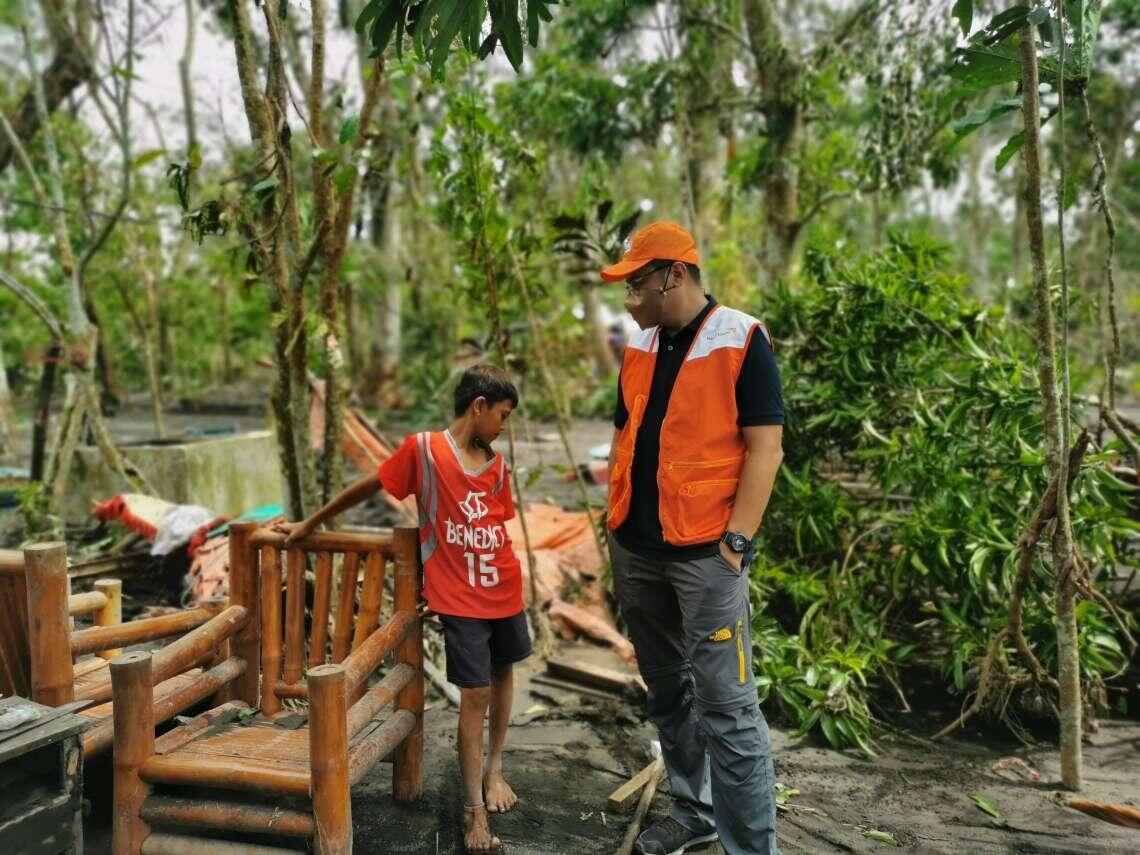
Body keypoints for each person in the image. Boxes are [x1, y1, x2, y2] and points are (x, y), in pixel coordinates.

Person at [280, 364, 529, 854]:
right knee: (474, 695)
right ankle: (473, 811)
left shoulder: (497, 466)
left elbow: (498, 528)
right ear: (478, 406)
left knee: (504, 676)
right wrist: (311, 523)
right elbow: (370, 486)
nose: (503, 426)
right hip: (461, 599)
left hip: (504, 588)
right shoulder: (423, 451)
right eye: (502, 415)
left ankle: (495, 770)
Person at [600, 222, 785, 855]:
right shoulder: (641, 346)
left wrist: (736, 543)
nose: (630, 298)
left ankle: (751, 848)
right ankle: (693, 810)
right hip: (638, 550)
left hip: (708, 554)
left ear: (673, 275)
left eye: (636, 284)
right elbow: (627, 435)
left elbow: (767, 448)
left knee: (729, 709)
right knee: (667, 688)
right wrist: (617, 527)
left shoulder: (742, 338)